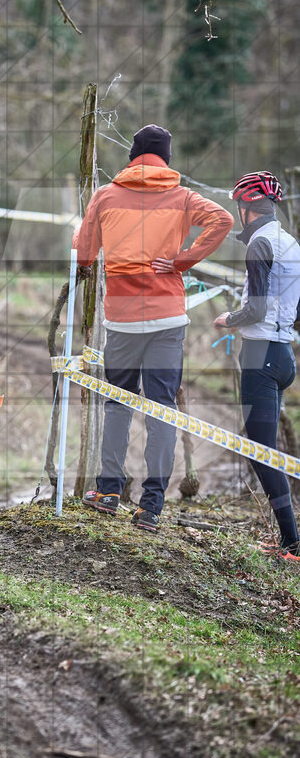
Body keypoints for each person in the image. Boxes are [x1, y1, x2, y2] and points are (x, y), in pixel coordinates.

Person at [74, 124, 234, 532]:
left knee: (117, 402)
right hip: (167, 319)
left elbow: (85, 252)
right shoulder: (182, 197)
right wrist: (184, 260)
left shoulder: (106, 195)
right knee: (161, 407)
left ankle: (109, 490)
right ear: (166, 157)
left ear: (132, 156)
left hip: (123, 320)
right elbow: (223, 219)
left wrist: (90, 263)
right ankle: (152, 506)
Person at [213, 171, 300, 564]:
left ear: (246, 208)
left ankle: (292, 543)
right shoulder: (291, 243)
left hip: (260, 356)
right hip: (284, 357)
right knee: (267, 449)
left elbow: (257, 308)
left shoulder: (259, 245)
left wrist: (227, 319)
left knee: (261, 451)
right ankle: (289, 539)